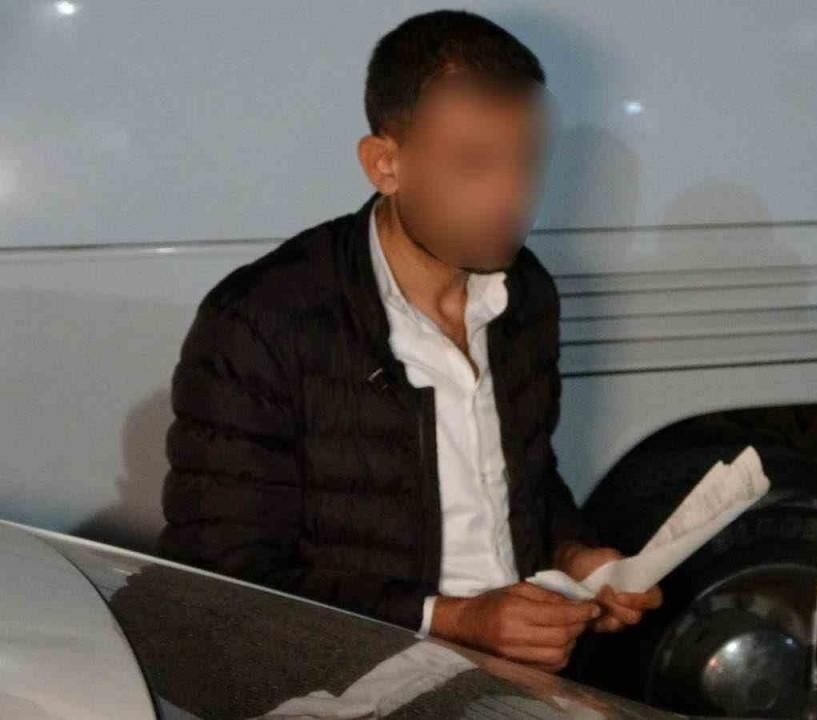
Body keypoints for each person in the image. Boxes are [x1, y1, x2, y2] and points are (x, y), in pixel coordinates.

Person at [159, 11, 660, 673]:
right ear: (385, 164)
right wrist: (453, 620)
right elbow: (220, 575)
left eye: (528, 159)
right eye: (475, 163)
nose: (512, 195)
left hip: (514, 680)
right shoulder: (262, 320)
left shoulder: (525, 292)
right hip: (341, 682)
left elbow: (526, 479)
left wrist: (575, 557)